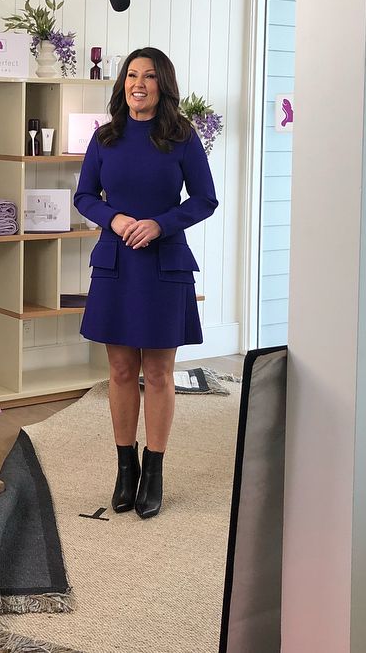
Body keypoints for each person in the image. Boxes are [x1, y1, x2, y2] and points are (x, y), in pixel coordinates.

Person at [74, 47, 217, 518]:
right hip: (116, 262)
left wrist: (160, 224)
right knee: (119, 371)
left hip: (163, 264)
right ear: (123, 84)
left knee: (157, 373)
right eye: (132, 75)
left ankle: (154, 470)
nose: (138, 84)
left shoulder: (182, 137)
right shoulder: (105, 137)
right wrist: (114, 219)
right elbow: (84, 196)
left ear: (163, 84)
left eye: (149, 76)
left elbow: (205, 199)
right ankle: (126, 469)